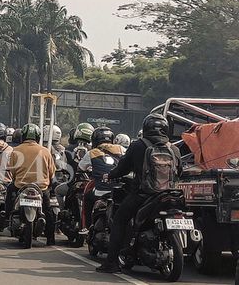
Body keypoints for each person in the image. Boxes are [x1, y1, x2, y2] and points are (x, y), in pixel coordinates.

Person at [96, 113, 182, 274]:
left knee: (119, 220)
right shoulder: (174, 148)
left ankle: (111, 263)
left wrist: (110, 175)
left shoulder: (138, 145)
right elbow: (180, 171)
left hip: (143, 194)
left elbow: (123, 168)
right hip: (170, 194)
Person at [6, 123, 57, 246]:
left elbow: (12, 171)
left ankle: (8, 217)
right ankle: (51, 238)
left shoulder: (15, 151)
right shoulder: (45, 151)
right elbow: (52, 172)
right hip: (41, 188)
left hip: (20, 186)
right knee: (49, 211)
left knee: (9, 195)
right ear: (38, 136)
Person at [78, 127, 124, 233]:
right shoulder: (121, 149)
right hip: (119, 191)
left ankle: (86, 226)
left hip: (100, 191)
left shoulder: (92, 153)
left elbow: (80, 168)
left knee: (86, 197)